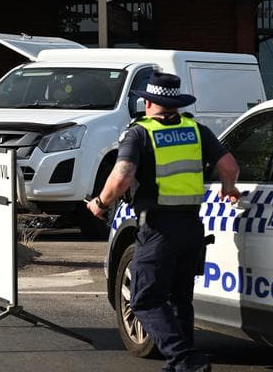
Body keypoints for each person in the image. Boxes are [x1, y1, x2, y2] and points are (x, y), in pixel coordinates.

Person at [87, 71, 241, 372]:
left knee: (144, 300)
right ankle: (179, 362)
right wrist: (228, 187)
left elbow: (122, 176)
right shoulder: (196, 130)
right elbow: (229, 165)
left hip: (158, 230)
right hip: (192, 229)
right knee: (179, 299)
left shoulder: (139, 133)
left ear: (147, 103)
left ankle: (186, 360)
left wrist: (100, 203)